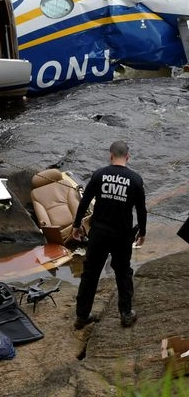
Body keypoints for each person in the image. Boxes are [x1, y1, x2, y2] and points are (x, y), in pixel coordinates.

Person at [71, 140, 146, 329]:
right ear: (127, 157)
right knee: (123, 273)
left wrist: (76, 225)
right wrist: (143, 232)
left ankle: (82, 316)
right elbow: (141, 210)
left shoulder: (99, 175)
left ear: (110, 155)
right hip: (122, 235)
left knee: (90, 273)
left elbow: (84, 201)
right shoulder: (135, 179)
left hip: (99, 233)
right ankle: (126, 314)